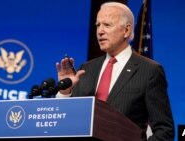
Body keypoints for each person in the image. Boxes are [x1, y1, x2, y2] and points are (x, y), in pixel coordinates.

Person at [56, 2, 174, 141]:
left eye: (107, 25)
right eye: (98, 25)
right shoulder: (86, 69)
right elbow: (69, 120)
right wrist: (65, 91)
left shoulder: (149, 71)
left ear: (126, 30)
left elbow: (164, 130)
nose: (100, 31)